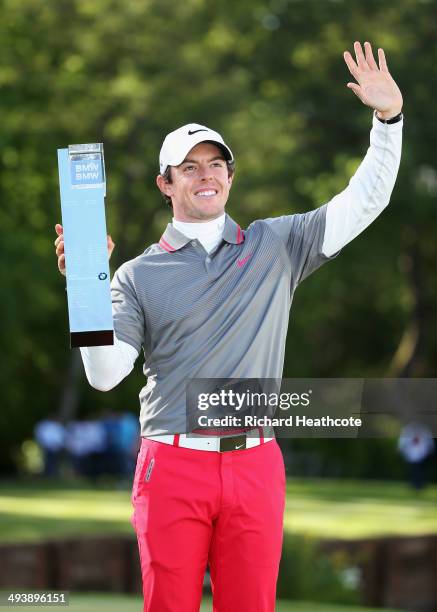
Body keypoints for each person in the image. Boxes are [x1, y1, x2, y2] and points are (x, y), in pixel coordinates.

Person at [54, 41, 403, 612]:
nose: (206, 175)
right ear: (166, 183)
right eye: (189, 167)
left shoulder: (278, 244)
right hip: (172, 464)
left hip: (255, 462)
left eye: (217, 163)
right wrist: (84, 292)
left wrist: (388, 121)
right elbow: (104, 375)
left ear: (231, 177)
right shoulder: (137, 275)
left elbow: (365, 200)